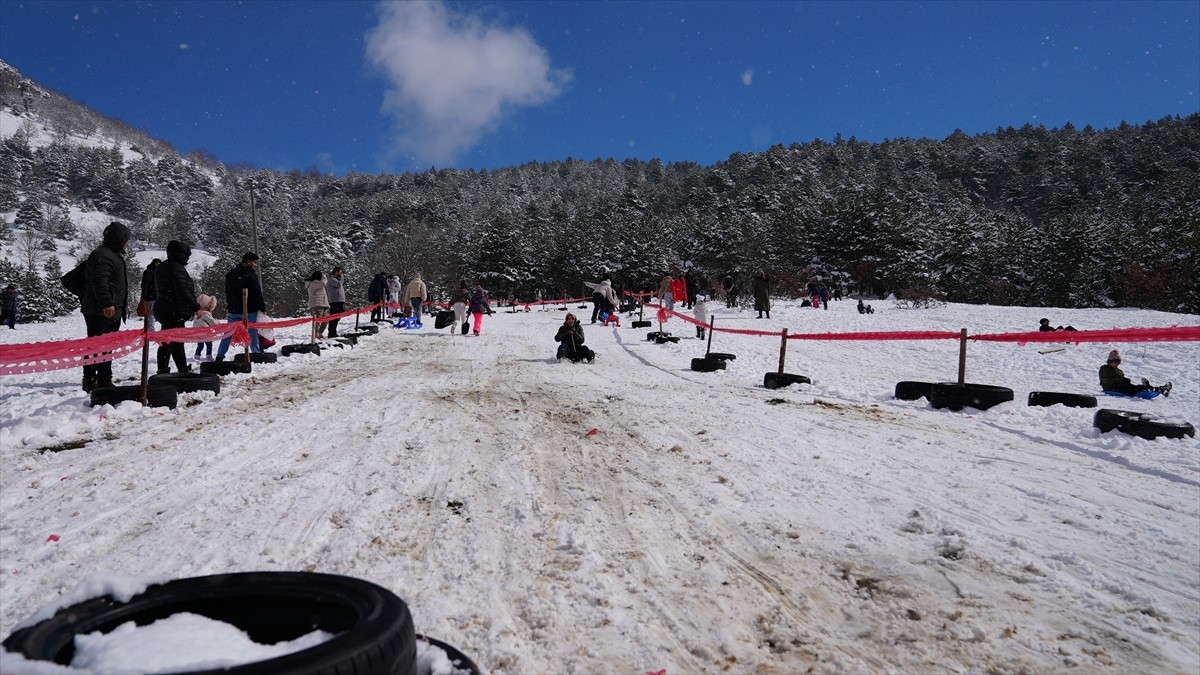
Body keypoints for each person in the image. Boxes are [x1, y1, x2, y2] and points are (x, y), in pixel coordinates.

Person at [80, 222, 132, 392]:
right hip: (101, 310)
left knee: (106, 345)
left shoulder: (112, 255)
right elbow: (100, 281)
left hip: (111, 309)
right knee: (96, 345)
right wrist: (107, 303)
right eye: (125, 240)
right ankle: (90, 378)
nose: (127, 243)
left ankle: (104, 378)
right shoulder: (102, 255)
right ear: (118, 240)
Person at [153, 240, 202, 374]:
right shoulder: (176, 268)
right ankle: (164, 370)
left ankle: (181, 368)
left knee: (174, 340)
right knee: (170, 342)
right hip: (173, 309)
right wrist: (196, 307)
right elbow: (182, 290)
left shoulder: (162, 267)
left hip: (164, 308)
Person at [215, 252, 264, 361]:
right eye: (254, 262)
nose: (256, 265)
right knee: (252, 333)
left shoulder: (231, 274)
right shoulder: (250, 275)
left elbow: (227, 292)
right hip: (249, 309)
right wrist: (262, 306)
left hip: (233, 309)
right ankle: (256, 354)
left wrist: (230, 304)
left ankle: (220, 356)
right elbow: (257, 292)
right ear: (248, 261)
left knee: (227, 334)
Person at [1099, 349, 1171, 397]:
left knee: (1135, 387)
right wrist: (1121, 380)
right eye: (1112, 361)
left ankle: (1160, 389)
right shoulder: (1104, 368)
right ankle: (1146, 389)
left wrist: (1125, 380)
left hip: (1120, 386)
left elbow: (1121, 380)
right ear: (1108, 362)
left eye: (1117, 361)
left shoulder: (1119, 371)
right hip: (1111, 388)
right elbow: (1105, 381)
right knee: (1131, 388)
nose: (1115, 363)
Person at [193, 294, 218, 361]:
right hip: (205, 332)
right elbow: (212, 322)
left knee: (200, 345)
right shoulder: (205, 313)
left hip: (197, 332)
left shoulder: (197, 313)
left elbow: (195, 323)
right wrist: (218, 323)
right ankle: (208, 356)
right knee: (209, 344)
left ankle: (197, 355)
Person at [306, 271, 329, 339]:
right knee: (317, 321)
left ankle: (320, 333)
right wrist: (324, 277)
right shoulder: (313, 283)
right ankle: (315, 334)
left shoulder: (317, 283)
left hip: (323, 304)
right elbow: (323, 283)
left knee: (326, 319)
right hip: (317, 304)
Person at [140, 258, 161, 329]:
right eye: (157, 264)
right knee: (150, 315)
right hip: (150, 297)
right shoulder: (150, 272)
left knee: (150, 315)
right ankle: (150, 330)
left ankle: (148, 329)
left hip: (153, 296)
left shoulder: (154, 272)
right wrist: (144, 297)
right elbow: (145, 285)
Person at [326, 266, 346, 338]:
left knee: (337, 317)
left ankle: (334, 331)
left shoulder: (338, 280)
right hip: (335, 301)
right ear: (336, 272)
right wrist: (341, 278)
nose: (340, 274)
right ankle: (331, 332)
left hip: (340, 300)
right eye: (339, 272)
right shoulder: (331, 278)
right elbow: (338, 284)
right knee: (334, 317)